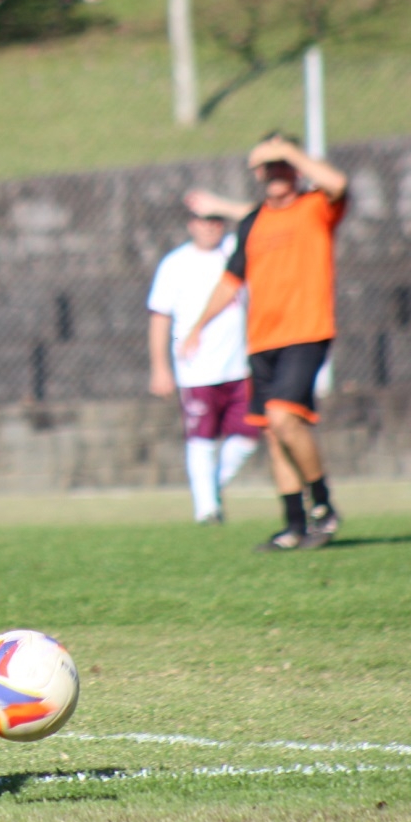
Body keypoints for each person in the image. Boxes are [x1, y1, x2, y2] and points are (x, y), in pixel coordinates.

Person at [181, 133, 349, 552]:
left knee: (283, 418)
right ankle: (294, 526)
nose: (274, 171)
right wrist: (198, 324)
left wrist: (287, 150)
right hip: (262, 342)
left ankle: (324, 508)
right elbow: (231, 280)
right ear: (257, 173)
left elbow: (339, 184)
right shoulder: (254, 221)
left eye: (282, 163)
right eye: (266, 164)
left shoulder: (316, 206)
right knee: (274, 434)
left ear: (294, 166)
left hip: (305, 333)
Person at [147, 205, 259, 524]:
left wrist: (219, 202)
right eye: (203, 220)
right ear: (190, 224)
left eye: (216, 220)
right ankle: (207, 508)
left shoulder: (234, 252)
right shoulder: (175, 264)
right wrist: (160, 367)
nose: (210, 226)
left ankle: (211, 487)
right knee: (202, 439)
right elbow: (159, 316)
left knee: (249, 434)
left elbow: (259, 215)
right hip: (197, 368)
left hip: (240, 364)